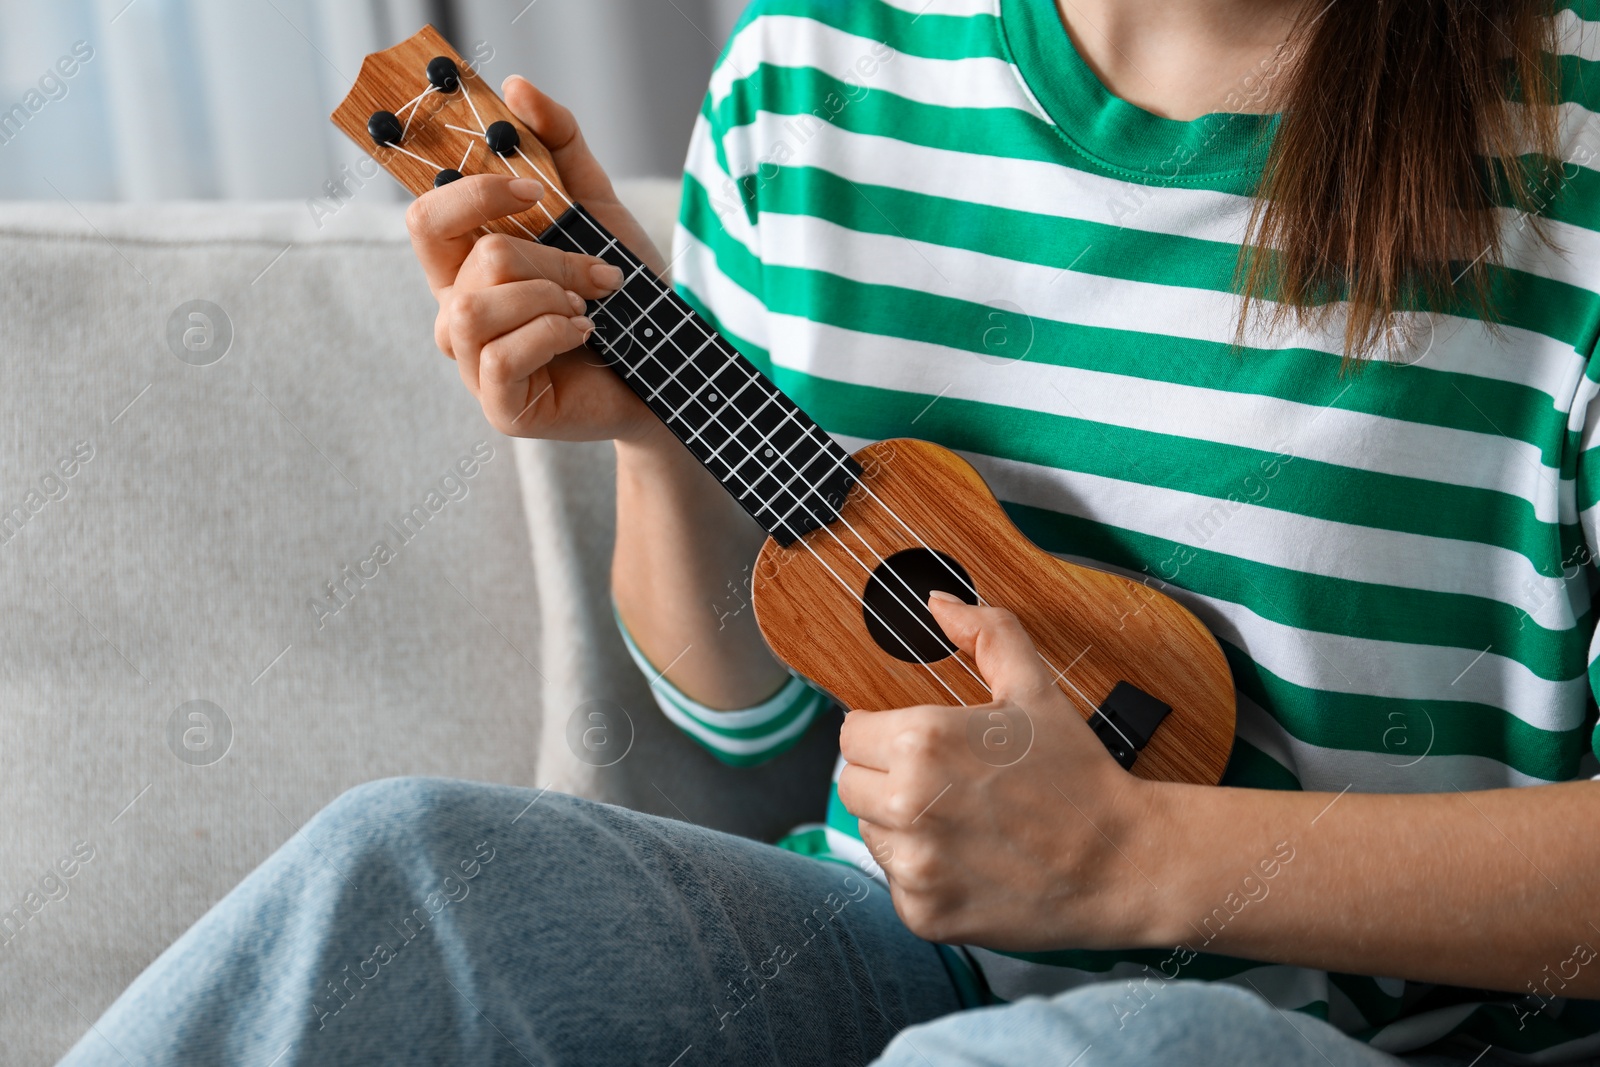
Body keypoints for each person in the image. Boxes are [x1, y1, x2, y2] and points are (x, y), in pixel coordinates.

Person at [61, 0, 1600, 1063]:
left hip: (1371, 1041)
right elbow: (748, 725)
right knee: (404, 874)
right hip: (879, 955)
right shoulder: (809, 77)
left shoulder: (1569, 150)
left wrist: (1139, 861)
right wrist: (662, 439)